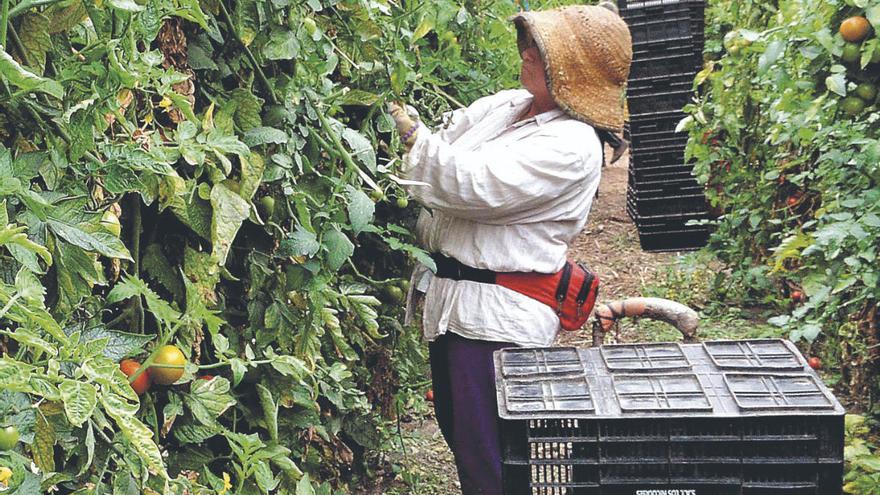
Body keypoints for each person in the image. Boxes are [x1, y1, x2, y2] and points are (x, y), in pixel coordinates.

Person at [388, 5, 632, 494]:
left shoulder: (572, 146)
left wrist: (409, 133)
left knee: (493, 461)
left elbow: (473, 185)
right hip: (459, 307)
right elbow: (449, 132)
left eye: (539, 50)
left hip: (498, 321)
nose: (526, 53)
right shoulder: (509, 106)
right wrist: (411, 124)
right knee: (467, 440)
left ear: (570, 72)